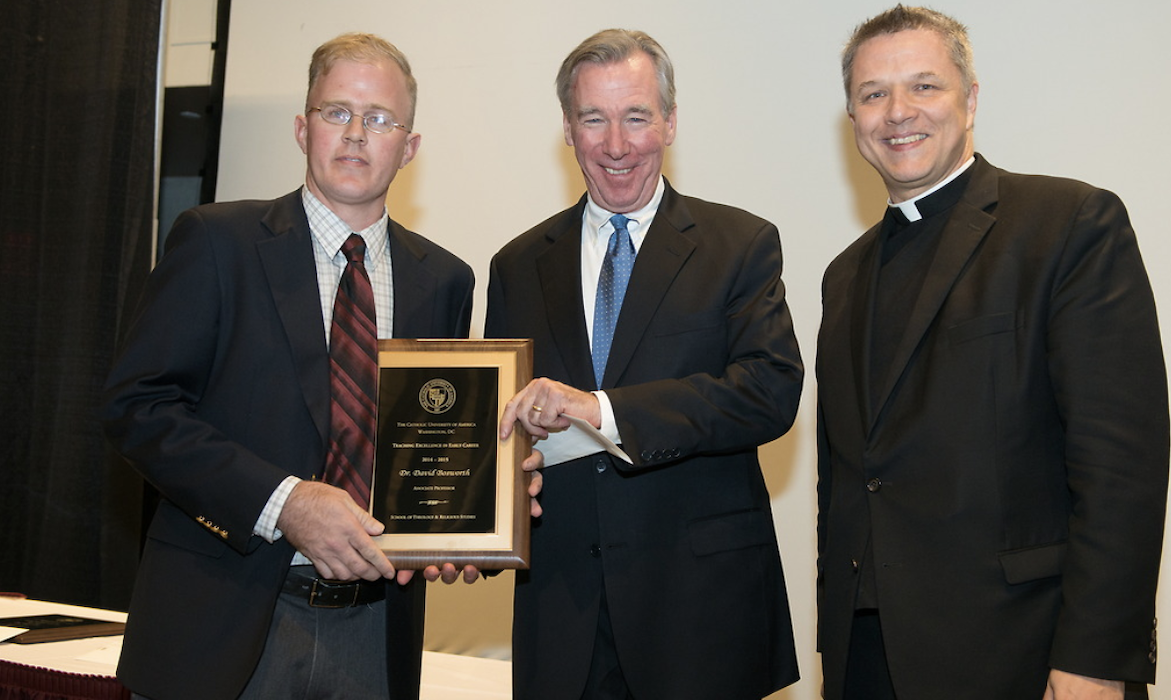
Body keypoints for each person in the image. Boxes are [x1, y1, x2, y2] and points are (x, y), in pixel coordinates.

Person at [103, 33, 540, 700]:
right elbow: (138, 408)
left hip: (374, 635)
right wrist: (285, 502)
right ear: (303, 129)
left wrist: (477, 503)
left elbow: (435, 440)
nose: (358, 135)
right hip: (224, 622)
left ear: (410, 146)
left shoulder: (444, 280)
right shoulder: (218, 243)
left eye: (380, 119)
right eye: (338, 112)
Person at [816, 6, 1169, 700]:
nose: (897, 113)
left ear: (970, 100)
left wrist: (1096, 660)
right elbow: (850, 478)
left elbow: (1120, 467)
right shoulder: (843, 275)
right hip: (866, 661)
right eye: (872, 94)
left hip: (1020, 652)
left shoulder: (1067, 226)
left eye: (924, 86)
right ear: (852, 118)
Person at [485, 28, 802, 700]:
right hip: (563, 616)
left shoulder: (738, 244)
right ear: (568, 130)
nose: (617, 145)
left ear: (670, 122)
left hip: (699, 613)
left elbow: (768, 392)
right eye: (594, 119)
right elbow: (501, 434)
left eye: (636, 117)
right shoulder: (516, 265)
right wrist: (466, 521)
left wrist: (601, 410)